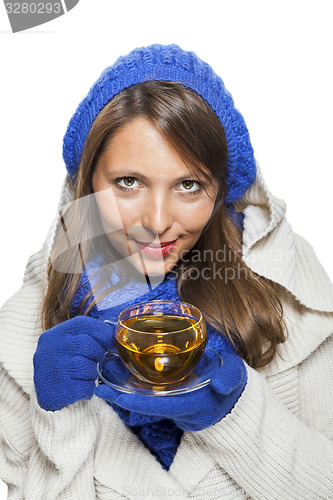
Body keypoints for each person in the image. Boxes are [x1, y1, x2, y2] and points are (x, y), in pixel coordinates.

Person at [0, 44, 332, 500]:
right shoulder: (20, 336)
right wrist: (61, 419)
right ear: (86, 184)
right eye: (128, 182)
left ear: (220, 193)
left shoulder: (291, 302)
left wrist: (236, 416)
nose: (156, 221)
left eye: (189, 185)